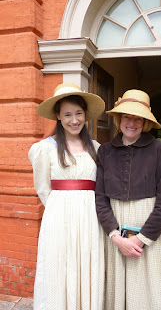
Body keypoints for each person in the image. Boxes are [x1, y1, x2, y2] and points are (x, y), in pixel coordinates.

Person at [95, 89, 161, 310]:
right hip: (114, 230)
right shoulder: (105, 151)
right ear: (119, 119)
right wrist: (115, 236)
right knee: (117, 290)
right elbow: (100, 199)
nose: (132, 123)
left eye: (137, 118)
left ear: (145, 122)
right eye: (127, 117)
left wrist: (140, 239)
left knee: (149, 291)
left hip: (150, 231)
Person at [28, 83, 105, 310]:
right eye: (68, 114)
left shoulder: (97, 148)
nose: (74, 120)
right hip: (59, 219)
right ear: (58, 117)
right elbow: (43, 188)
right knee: (59, 266)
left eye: (79, 113)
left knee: (86, 265)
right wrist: (61, 210)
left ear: (85, 115)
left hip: (91, 219)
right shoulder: (46, 149)